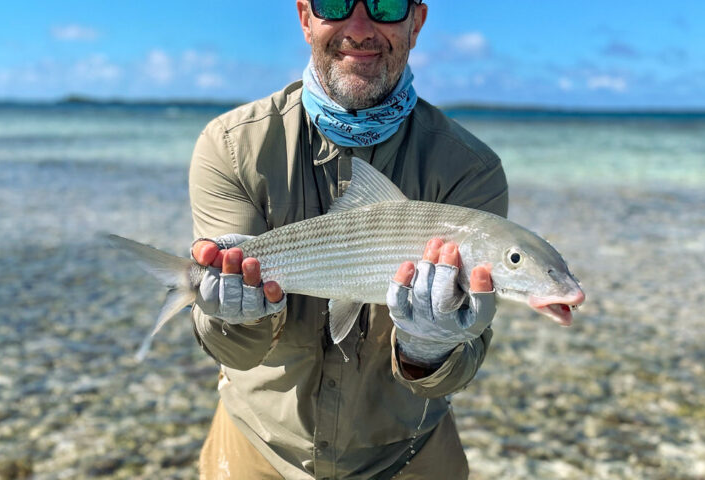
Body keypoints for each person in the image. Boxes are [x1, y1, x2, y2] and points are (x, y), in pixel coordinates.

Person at [187, 1, 508, 478]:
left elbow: (459, 367)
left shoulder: (470, 170)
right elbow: (234, 352)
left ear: (415, 22)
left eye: (386, 4)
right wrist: (231, 317)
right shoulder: (232, 147)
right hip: (257, 448)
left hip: (410, 455)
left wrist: (430, 349)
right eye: (334, 3)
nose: (359, 29)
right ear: (304, 17)